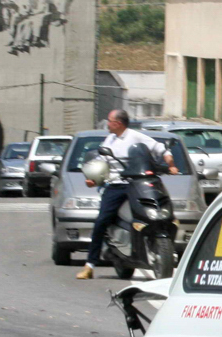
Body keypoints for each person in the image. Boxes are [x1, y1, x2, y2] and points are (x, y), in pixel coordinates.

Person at [76, 109, 179, 280]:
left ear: (118, 123)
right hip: (117, 185)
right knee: (102, 220)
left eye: (109, 121)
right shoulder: (109, 140)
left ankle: (159, 245)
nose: (107, 124)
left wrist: (171, 165)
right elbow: (100, 164)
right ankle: (90, 265)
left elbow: (161, 149)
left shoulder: (136, 136)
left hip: (139, 182)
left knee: (157, 212)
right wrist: (93, 180)